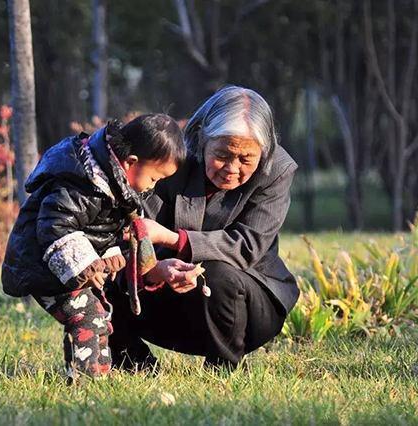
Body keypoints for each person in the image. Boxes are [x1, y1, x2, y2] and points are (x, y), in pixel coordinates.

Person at [108, 86, 299, 370]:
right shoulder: (169, 156)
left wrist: (174, 240)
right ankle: (133, 361)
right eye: (222, 154)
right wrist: (156, 268)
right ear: (201, 139)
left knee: (218, 272)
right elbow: (133, 228)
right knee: (96, 267)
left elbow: (247, 246)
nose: (232, 169)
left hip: (245, 305)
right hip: (161, 292)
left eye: (246, 159)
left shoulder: (277, 169)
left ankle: (222, 367)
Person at [1, 114, 187, 379]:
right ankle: (86, 376)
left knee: (99, 315)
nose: (152, 187)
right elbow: (55, 226)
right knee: (86, 316)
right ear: (130, 163)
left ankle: (100, 369)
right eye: (155, 178)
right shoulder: (82, 184)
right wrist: (88, 265)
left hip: (68, 268)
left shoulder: (116, 187)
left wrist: (110, 254)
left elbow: (101, 229)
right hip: (46, 267)